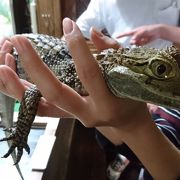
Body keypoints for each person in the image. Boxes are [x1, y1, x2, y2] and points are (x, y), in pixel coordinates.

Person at [0, 18, 180, 180]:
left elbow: (32, 93)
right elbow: (33, 93)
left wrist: (133, 122)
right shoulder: (82, 73)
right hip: (15, 52)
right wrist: (21, 133)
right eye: (161, 70)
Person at [76, 0, 180, 178]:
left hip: (164, 82)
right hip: (122, 83)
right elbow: (72, 35)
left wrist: (161, 30)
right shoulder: (102, 3)